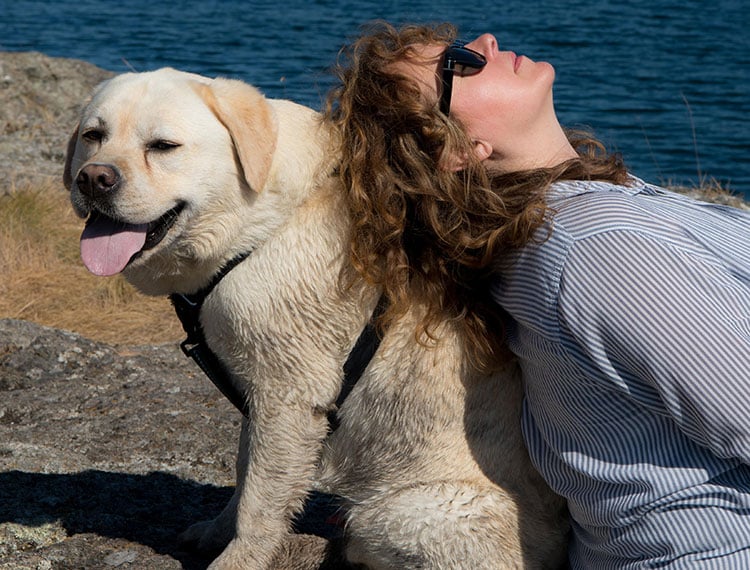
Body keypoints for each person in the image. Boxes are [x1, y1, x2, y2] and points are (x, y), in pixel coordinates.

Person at [325, 21, 750, 568]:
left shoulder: (577, 213)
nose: (486, 43)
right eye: (459, 62)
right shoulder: (598, 251)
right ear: (460, 150)